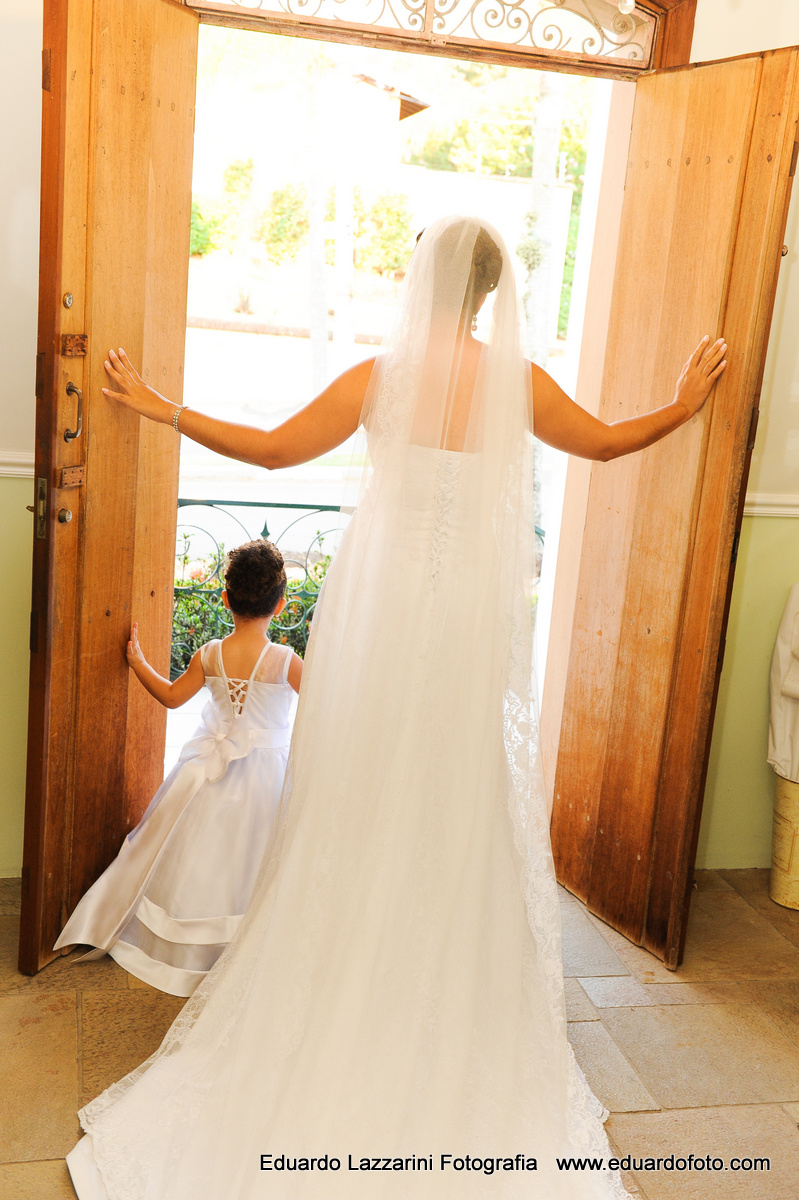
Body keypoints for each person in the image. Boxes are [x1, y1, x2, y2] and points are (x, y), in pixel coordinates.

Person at [66, 217, 726, 1199]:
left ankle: (355, 965)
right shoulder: (517, 385)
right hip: (463, 620)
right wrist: (682, 403)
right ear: (491, 295)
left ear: (423, 278)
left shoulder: (382, 376)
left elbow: (271, 450)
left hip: (384, 617)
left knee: (363, 783)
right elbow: (611, 441)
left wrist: (160, 407)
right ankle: (440, 981)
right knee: (456, 786)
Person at [55, 538, 302, 997]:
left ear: (225, 598)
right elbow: (324, 705)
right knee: (249, 861)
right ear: (283, 605)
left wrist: (138, 662)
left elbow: (170, 697)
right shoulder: (286, 662)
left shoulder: (209, 653)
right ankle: (244, 950)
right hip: (267, 778)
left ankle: (173, 944)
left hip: (204, 772)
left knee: (198, 862)